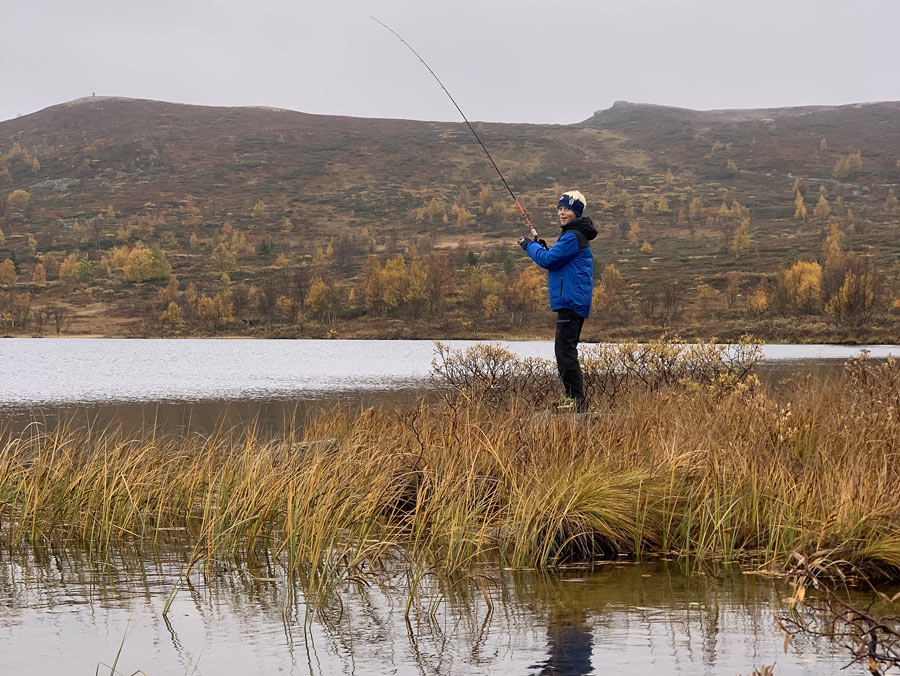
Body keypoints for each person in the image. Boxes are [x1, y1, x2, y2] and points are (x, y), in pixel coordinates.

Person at [518, 190, 597, 412]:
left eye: (567, 209)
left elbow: (549, 260)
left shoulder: (573, 236)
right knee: (565, 350)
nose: (562, 213)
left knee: (564, 351)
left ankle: (576, 400)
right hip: (574, 300)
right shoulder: (575, 236)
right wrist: (544, 248)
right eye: (560, 209)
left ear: (576, 212)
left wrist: (529, 245)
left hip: (571, 300)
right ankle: (573, 398)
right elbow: (557, 258)